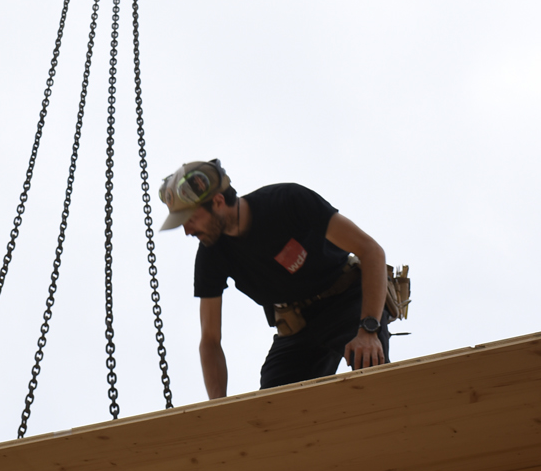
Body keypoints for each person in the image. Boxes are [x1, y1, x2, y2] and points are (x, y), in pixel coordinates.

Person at [159, 158, 390, 398]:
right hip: (297, 327)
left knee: (370, 372)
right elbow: (210, 339)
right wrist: (218, 407)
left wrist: (369, 330)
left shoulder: (287, 201)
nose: (187, 231)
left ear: (217, 202)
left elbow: (371, 251)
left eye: (190, 220)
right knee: (272, 408)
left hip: (347, 304)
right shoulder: (212, 254)